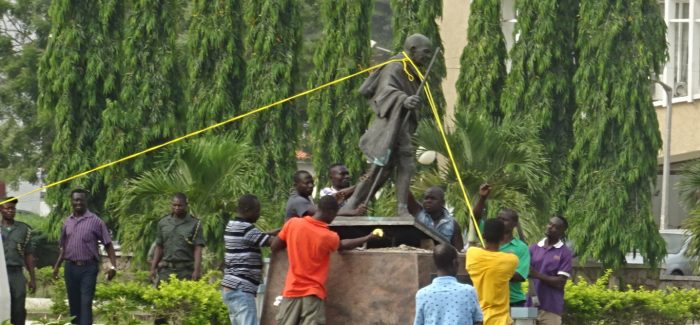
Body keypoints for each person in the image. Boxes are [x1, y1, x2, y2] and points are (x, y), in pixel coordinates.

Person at [341, 34, 434, 216]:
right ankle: (356, 205)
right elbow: (385, 90)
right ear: (413, 49)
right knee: (383, 168)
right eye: (425, 52)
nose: (428, 57)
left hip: (402, 126)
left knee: (391, 168)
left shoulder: (412, 69)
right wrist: (404, 99)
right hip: (391, 126)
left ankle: (396, 208)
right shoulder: (396, 66)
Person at [272, 195, 378, 325]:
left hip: (291, 290)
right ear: (331, 212)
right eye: (335, 214)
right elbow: (342, 245)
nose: (334, 218)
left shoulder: (293, 224)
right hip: (313, 293)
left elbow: (275, 246)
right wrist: (367, 237)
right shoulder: (328, 236)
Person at [53, 189, 118, 325]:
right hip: (70, 268)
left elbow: (108, 244)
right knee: (74, 304)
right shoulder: (67, 222)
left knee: (86, 302)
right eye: (75, 200)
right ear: (71, 201)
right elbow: (64, 247)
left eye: (80, 200)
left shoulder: (96, 221)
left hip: (88, 268)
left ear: (85, 201)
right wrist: (57, 267)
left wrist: (113, 266)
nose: (78, 202)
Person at [222, 194, 272, 325]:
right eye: (257, 211)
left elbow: (260, 236)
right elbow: (271, 242)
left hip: (231, 287)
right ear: (247, 210)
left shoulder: (233, 225)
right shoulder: (246, 228)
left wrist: (276, 231)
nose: (259, 214)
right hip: (241, 289)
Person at [414, 244, 483, 325]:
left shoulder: (422, 294)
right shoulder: (469, 291)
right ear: (455, 263)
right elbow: (478, 321)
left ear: (436, 264)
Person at [466, 219, 518, 325]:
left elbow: (477, 249)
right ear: (503, 237)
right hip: (501, 321)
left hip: (478, 319)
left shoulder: (472, 253)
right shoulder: (511, 260)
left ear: (484, 236)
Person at [150, 193, 205, 284]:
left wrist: (197, 270)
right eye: (174, 205)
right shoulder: (163, 223)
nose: (177, 208)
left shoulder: (195, 223)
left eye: (180, 205)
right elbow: (159, 247)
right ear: (171, 205)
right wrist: (153, 268)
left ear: (186, 205)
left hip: (186, 271)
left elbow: (198, 249)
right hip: (166, 271)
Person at [527, 216, 573, 325]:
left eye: (555, 227)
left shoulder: (565, 253)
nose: (550, 227)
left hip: (551, 308)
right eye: (549, 224)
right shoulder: (534, 248)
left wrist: (537, 274)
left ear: (562, 232)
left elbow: (560, 282)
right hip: (530, 304)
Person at [1, 197, 36, 325]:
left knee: (18, 308)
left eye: (13, 208)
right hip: (0, 274)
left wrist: (32, 278)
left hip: (16, 273)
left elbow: (29, 255)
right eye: (7, 208)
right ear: (1, 210)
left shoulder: (24, 229)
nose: (10, 211)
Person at [497, 209, 530, 307]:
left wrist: (491, 271)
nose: (500, 222)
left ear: (515, 224)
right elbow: (475, 218)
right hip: (489, 299)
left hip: (513, 301)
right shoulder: (488, 243)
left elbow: (519, 276)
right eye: (498, 218)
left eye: (504, 220)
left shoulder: (521, 247)